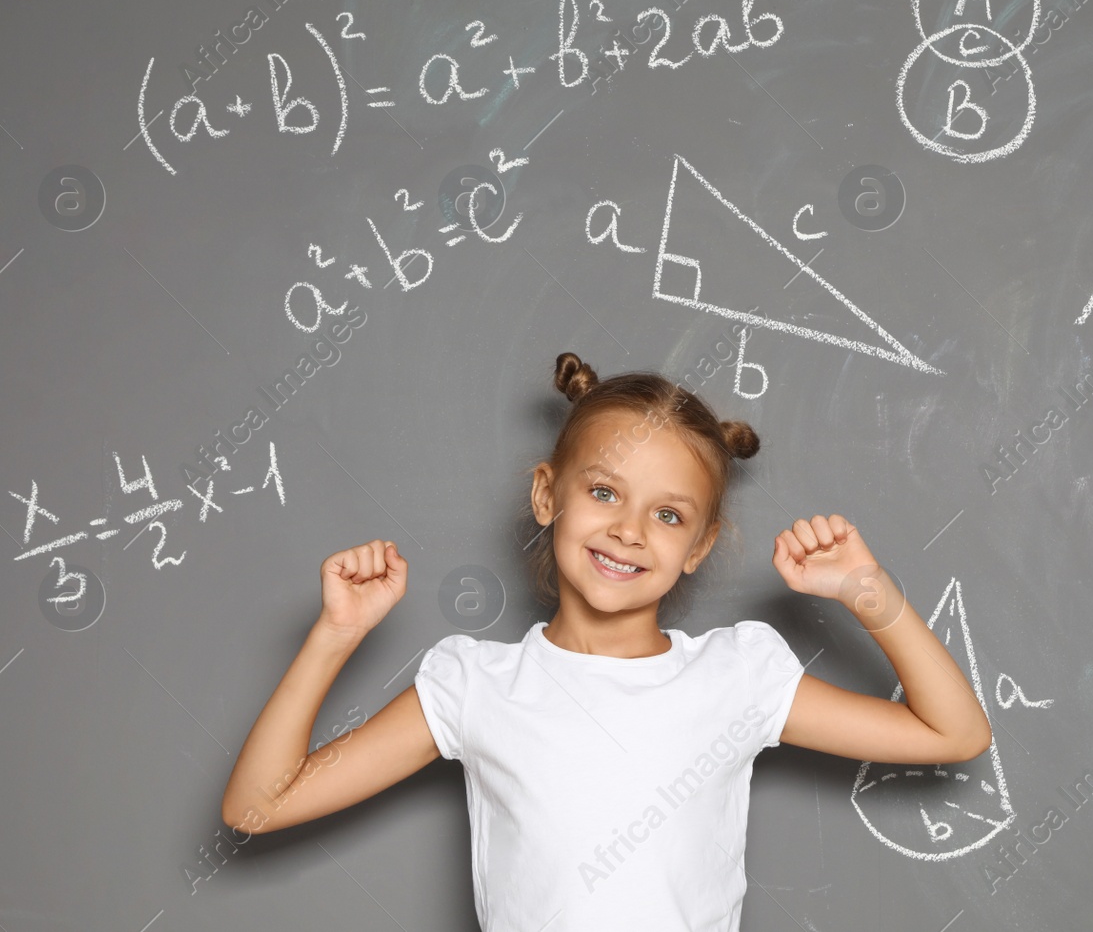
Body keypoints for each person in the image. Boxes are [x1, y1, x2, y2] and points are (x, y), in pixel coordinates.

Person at [220, 352, 992, 930]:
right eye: (603, 492)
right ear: (546, 493)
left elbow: (953, 732)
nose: (628, 528)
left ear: (699, 544)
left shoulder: (738, 676)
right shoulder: (475, 685)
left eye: (668, 514)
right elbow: (257, 806)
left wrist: (871, 594)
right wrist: (335, 635)